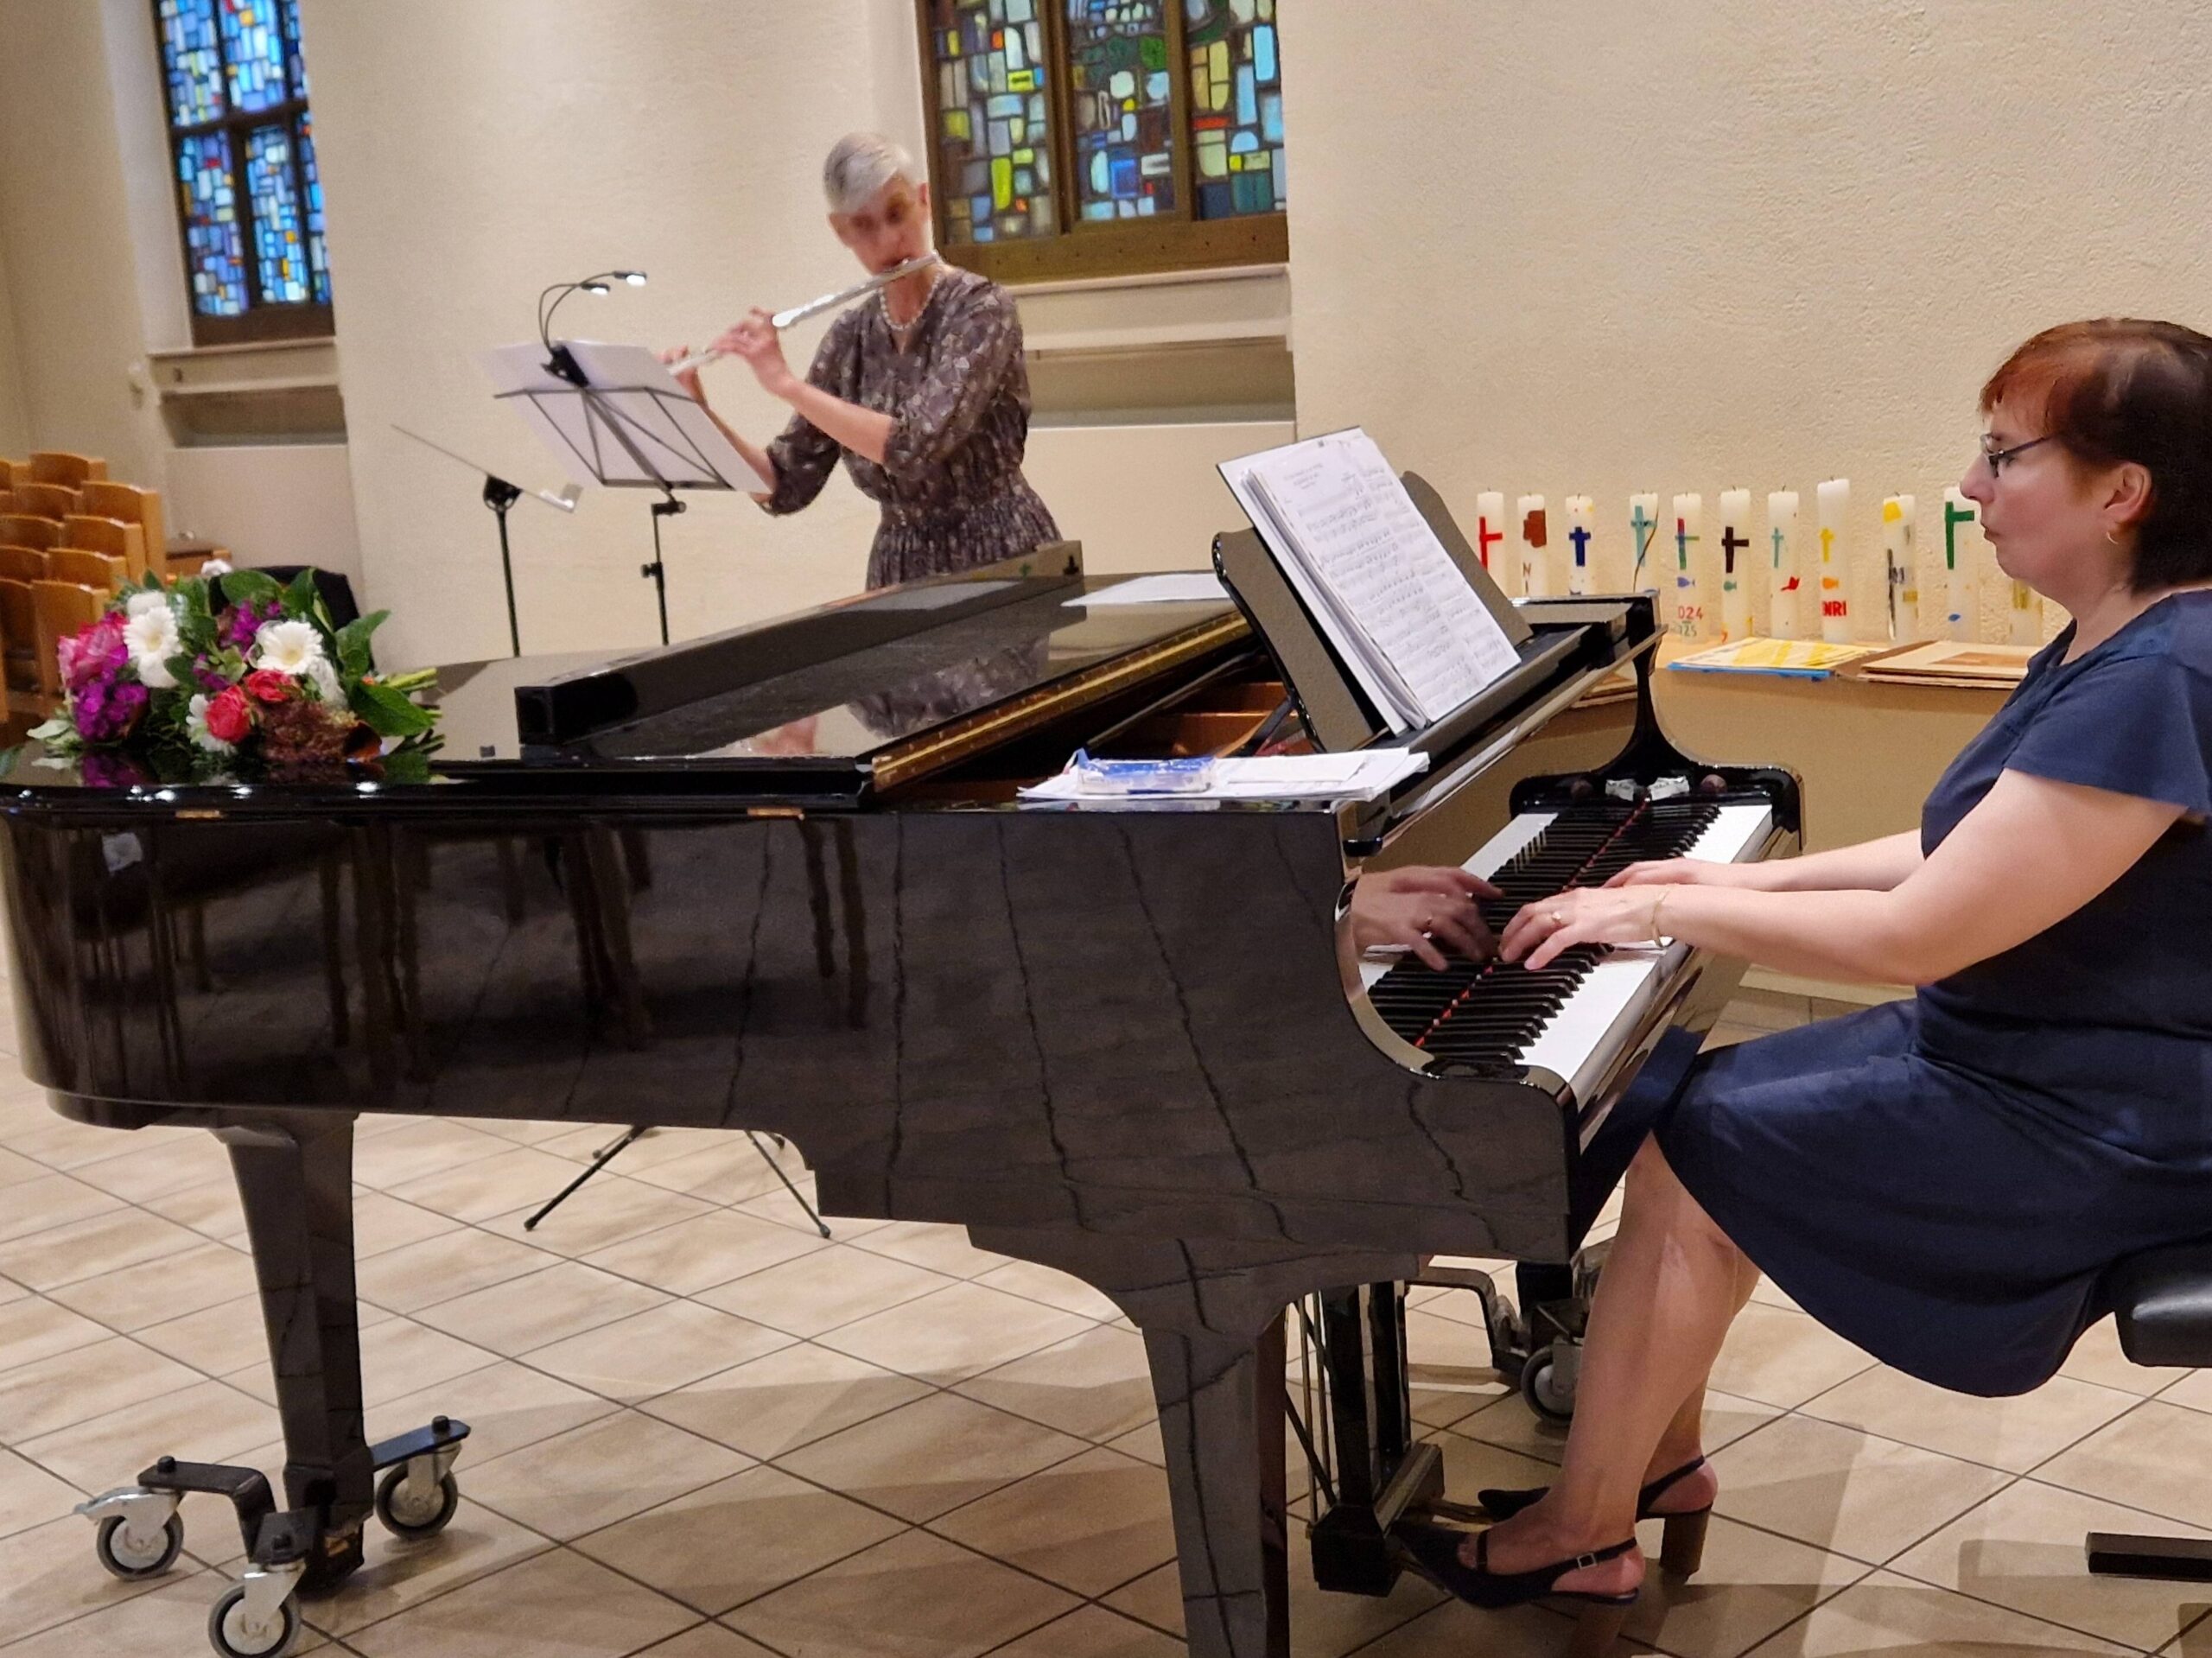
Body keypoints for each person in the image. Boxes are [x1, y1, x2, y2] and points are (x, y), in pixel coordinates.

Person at [1391, 318, 2212, 1647]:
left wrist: (1660, 901)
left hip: (2101, 1110)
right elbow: (1966, 843)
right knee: (1702, 1123)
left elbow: (1917, 936)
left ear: (2124, 492)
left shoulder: (2161, 672)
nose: (1970, 485)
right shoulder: (2124, 636)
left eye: (2004, 456)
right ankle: (1646, 1466)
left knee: (1702, 1135)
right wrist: (1735, 882)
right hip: (2054, 1054)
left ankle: (1586, 1523)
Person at [667, 133, 1060, 590]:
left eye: (896, 214)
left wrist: (785, 384)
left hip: (999, 554)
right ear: (842, 231)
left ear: (923, 200)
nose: (889, 240)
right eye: (864, 226)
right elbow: (783, 485)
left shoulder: (980, 310)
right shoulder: (850, 336)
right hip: (900, 567)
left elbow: (914, 447)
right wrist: (698, 415)